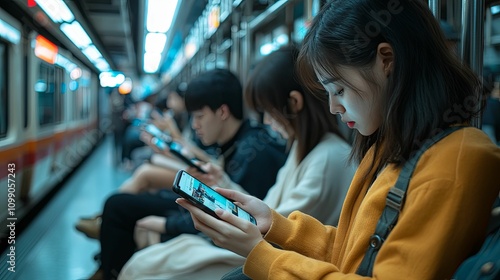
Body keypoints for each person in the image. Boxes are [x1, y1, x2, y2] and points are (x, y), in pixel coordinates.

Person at [177, 1, 500, 279]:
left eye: (339, 90)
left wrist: (262, 255)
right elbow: (354, 252)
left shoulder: (456, 160)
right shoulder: (387, 147)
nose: (333, 107)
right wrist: (276, 226)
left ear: (386, 60)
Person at [117, 46, 357, 280]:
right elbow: (269, 215)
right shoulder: (303, 149)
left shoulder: (326, 158)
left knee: (144, 266)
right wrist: (221, 180)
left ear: (294, 103)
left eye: (268, 111)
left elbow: (277, 231)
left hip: (279, 259)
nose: (267, 121)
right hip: (272, 252)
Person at [85, 68, 288, 280]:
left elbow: (231, 215)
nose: (195, 125)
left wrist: (167, 224)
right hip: (202, 212)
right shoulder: (247, 143)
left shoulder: (253, 155)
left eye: (199, 116)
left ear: (222, 112)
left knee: (118, 206)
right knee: (123, 203)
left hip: (213, 232)